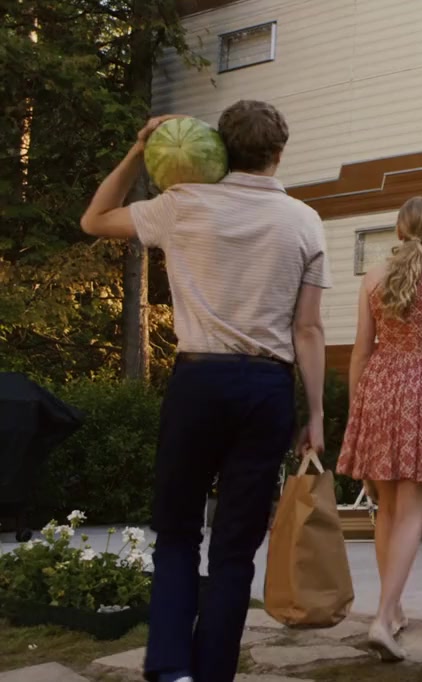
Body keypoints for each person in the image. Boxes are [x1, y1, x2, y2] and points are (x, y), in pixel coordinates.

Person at [80, 101, 329, 682]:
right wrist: (316, 413)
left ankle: (171, 669)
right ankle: (212, 673)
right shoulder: (304, 221)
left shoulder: (180, 205)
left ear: (221, 146)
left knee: (176, 532)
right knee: (235, 547)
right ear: (279, 153)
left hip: (198, 382)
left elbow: (95, 218)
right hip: (267, 388)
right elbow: (309, 329)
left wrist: (140, 149)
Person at [337, 196, 422, 661]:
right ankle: (383, 616)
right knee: (411, 513)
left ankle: (390, 611)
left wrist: (357, 408)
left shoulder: (372, 277)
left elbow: (360, 349)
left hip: (379, 388)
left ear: (397, 231)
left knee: (389, 510)